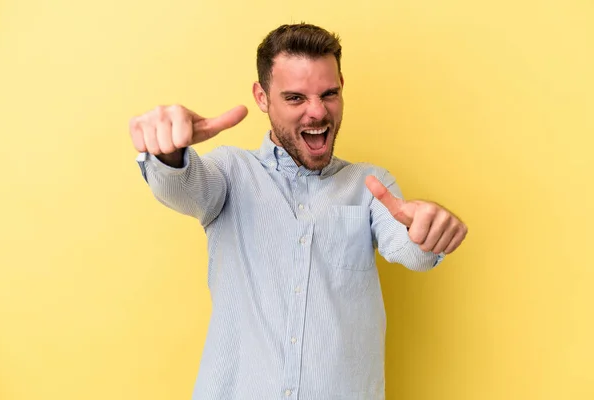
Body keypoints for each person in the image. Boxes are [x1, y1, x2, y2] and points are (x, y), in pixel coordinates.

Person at [130, 23, 467, 400]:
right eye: (295, 98)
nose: (317, 112)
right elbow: (178, 185)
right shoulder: (230, 173)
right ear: (262, 97)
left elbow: (409, 248)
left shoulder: (370, 185)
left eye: (329, 94)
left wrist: (427, 233)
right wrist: (168, 153)